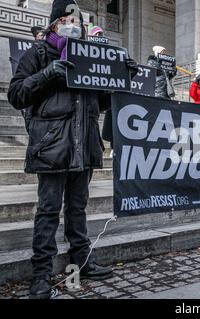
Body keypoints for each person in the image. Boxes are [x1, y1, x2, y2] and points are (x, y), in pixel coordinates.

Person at [7, 0, 139, 299]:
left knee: (78, 208)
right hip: (52, 144)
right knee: (48, 211)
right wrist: (48, 74)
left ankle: (82, 261)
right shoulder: (39, 53)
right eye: (68, 19)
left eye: (78, 21)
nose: (74, 24)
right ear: (55, 23)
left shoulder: (90, 58)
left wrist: (124, 77)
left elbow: (100, 102)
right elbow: (17, 94)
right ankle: (41, 273)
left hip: (84, 145)